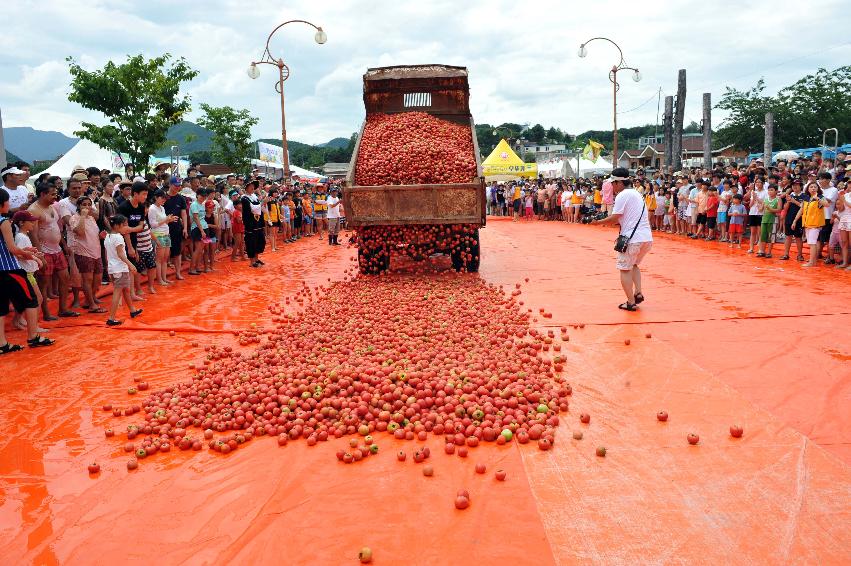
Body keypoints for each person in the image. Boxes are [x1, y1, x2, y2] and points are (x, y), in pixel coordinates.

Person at [0, 190, 55, 352]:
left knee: (1, 307)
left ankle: (2, 344)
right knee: (31, 300)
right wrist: (29, 254)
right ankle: (33, 336)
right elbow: (12, 249)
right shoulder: (3, 222)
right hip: (9, 269)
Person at [592, 167, 652, 311]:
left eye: (612, 183)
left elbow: (614, 218)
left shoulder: (622, 195)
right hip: (646, 237)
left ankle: (630, 302)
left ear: (619, 182)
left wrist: (597, 222)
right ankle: (638, 292)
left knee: (624, 269)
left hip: (632, 238)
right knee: (634, 265)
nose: (611, 186)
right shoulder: (637, 194)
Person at [27, 182, 77, 319]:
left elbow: (56, 228)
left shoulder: (51, 207)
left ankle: (63, 309)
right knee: (44, 283)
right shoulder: (34, 210)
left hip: (57, 249)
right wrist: (40, 255)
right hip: (44, 251)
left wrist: (64, 244)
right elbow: (33, 235)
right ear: (43, 194)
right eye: (52, 194)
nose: (56, 196)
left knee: (65, 278)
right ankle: (47, 314)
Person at [11, 210, 47, 333]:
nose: (33, 223)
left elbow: (22, 253)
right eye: (30, 221)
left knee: (24, 299)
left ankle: (18, 320)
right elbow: (19, 254)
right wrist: (35, 258)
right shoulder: (21, 237)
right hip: (26, 273)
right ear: (21, 223)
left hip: (27, 272)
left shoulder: (23, 236)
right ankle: (34, 326)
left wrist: (34, 254)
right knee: (38, 298)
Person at [69, 196, 106, 313]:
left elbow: (93, 234)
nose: (87, 207)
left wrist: (101, 235)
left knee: (98, 277)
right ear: (79, 206)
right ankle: (91, 304)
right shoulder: (74, 218)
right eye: (84, 204)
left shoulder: (92, 218)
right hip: (83, 252)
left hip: (96, 251)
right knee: (87, 279)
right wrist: (83, 217)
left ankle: (90, 299)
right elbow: (79, 232)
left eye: (89, 204)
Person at [104, 214, 141, 326]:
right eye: (124, 225)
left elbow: (108, 253)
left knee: (125, 289)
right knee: (118, 292)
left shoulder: (108, 236)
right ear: (118, 225)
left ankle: (132, 310)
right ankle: (111, 318)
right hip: (119, 268)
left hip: (113, 268)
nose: (127, 227)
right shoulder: (118, 237)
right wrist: (130, 265)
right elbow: (121, 254)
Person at [791, 182, 827, 268]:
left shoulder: (820, 197)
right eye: (811, 187)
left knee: (812, 243)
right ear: (808, 189)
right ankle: (813, 261)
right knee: (811, 243)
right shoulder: (806, 198)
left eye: (815, 187)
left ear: (818, 188)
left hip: (815, 224)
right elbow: (801, 210)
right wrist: (795, 221)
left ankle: (812, 262)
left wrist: (818, 199)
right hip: (807, 224)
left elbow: (827, 204)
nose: (813, 188)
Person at [148, 189, 177, 285]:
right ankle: (160, 279)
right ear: (156, 197)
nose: (164, 200)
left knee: (165, 258)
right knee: (159, 259)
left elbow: (163, 221)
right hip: (158, 234)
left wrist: (169, 219)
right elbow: (153, 225)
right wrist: (166, 220)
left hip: (165, 233)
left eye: (165, 198)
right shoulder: (152, 208)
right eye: (162, 198)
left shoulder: (162, 208)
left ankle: (164, 278)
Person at [163, 176, 188, 281]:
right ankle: (163, 276)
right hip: (164, 229)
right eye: (175, 185)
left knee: (177, 252)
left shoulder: (181, 198)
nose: (177, 187)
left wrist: (185, 228)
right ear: (170, 185)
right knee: (165, 254)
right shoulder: (163, 197)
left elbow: (184, 214)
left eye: (179, 186)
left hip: (177, 228)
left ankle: (178, 273)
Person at [241, 180, 266, 268]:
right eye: (250, 186)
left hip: (258, 222)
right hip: (250, 223)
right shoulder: (244, 198)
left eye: (253, 186)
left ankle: (256, 258)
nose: (252, 187)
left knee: (260, 240)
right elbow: (253, 209)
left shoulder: (254, 196)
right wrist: (263, 202)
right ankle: (252, 261)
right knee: (251, 241)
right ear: (246, 187)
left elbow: (260, 208)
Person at [780, 179, 806, 261]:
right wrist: (788, 201)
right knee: (788, 236)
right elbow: (785, 208)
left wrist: (794, 201)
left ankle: (800, 255)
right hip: (789, 218)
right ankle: (786, 254)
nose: (795, 186)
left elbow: (804, 207)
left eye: (797, 185)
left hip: (799, 219)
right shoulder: (790, 195)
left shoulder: (804, 196)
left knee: (798, 237)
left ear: (801, 186)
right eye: (793, 185)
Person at [188, 188, 208, 275]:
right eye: (202, 195)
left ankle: (197, 266)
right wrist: (202, 231)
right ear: (197, 195)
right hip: (197, 228)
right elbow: (195, 218)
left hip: (204, 227)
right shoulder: (194, 205)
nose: (203, 197)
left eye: (204, 196)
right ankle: (192, 268)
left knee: (201, 249)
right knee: (198, 249)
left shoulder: (202, 204)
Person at [757, 185, 781, 258]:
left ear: (776, 191)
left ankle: (769, 252)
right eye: (769, 190)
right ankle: (762, 251)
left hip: (773, 220)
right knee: (763, 236)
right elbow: (761, 209)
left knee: (771, 236)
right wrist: (759, 206)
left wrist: (771, 209)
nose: (770, 191)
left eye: (772, 190)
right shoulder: (766, 199)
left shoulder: (778, 199)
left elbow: (779, 209)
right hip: (764, 219)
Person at [836, 183, 851, 269]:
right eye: (849, 185)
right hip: (844, 219)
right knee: (844, 242)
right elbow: (841, 208)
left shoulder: (845, 197)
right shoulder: (845, 195)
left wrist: (844, 201)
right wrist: (840, 201)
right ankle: (845, 263)